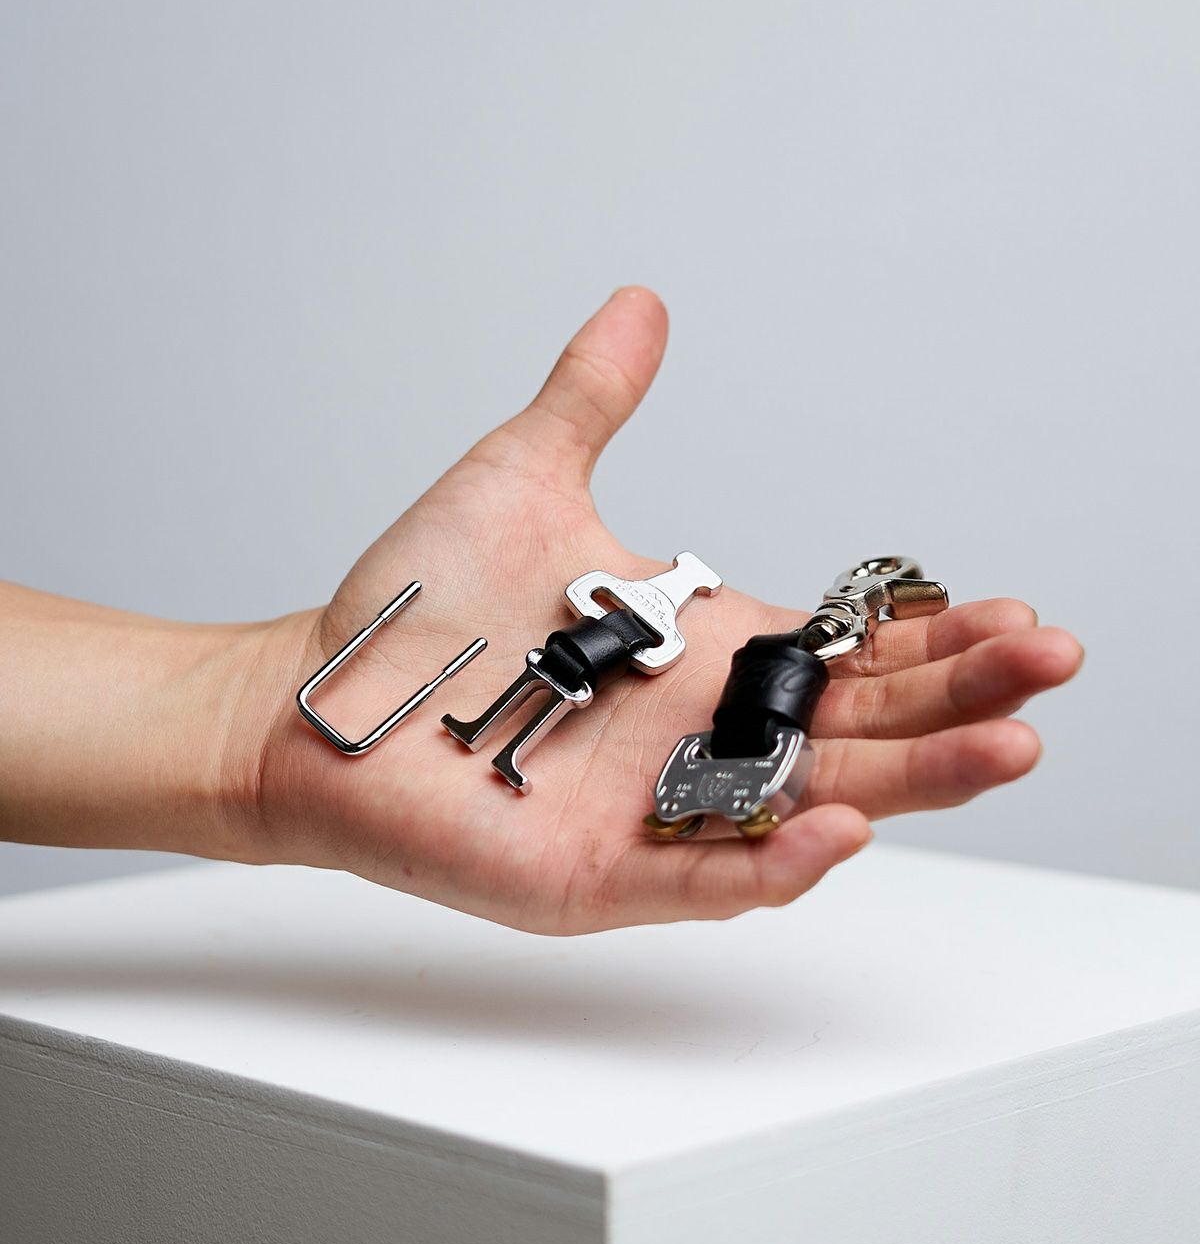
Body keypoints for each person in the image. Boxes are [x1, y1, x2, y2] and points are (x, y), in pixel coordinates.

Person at [0, 289, 1082, 933]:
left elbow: (651, 648)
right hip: (562, 654)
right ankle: (487, 735)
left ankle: (502, 747)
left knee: (536, 717)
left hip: (577, 670)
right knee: (521, 706)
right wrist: (248, 729)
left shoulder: (671, 623)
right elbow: (611, 613)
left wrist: (245, 723)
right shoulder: (642, 608)